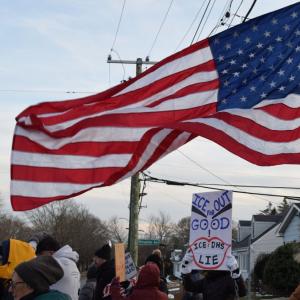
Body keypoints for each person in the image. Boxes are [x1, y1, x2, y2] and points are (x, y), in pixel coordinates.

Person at [181, 251, 246, 300]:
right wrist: (185, 272)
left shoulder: (229, 279)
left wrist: (237, 275)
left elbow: (242, 292)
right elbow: (189, 287)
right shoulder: (207, 280)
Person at [35, 235, 80, 300]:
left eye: (40, 255)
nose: (38, 259)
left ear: (50, 252)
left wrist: (32, 242)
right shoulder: (71, 263)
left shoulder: (57, 263)